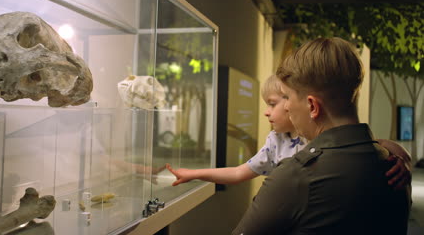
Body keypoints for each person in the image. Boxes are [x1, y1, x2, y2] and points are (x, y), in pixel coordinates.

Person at [232, 37, 411, 235]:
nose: (287, 107)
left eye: (288, 97)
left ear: (312, 106)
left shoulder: (295, 176)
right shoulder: (395, 165)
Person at [166, 75, 410, 189]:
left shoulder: (321, 134)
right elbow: (240, 172)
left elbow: (370, 144)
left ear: (293, 101)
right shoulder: (275, 142)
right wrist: (196, 173)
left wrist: (399, 158)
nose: (266, 112)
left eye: (272, 103)